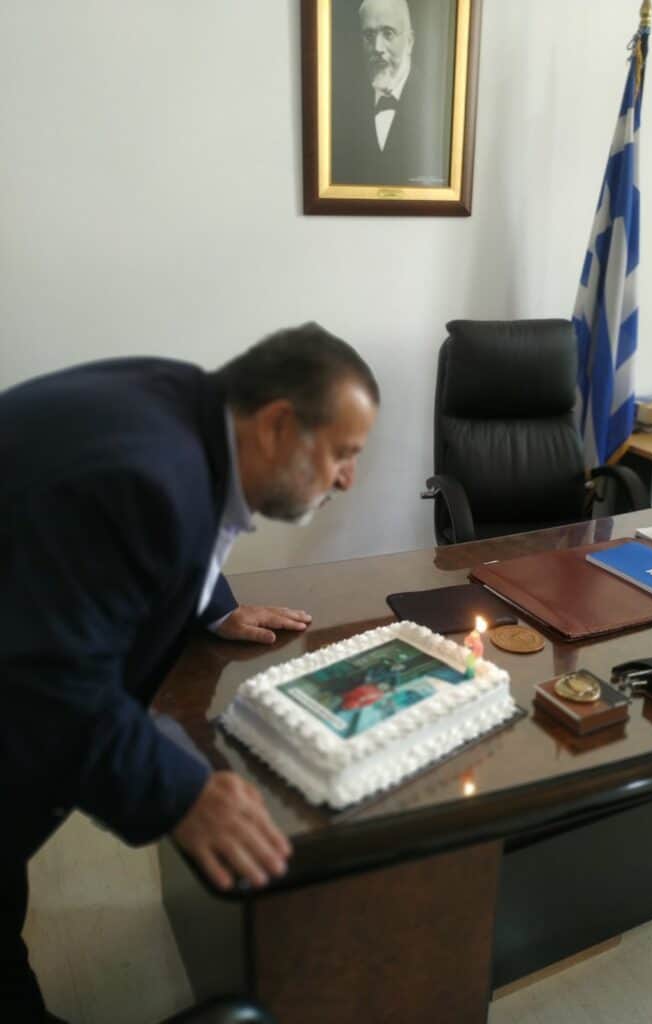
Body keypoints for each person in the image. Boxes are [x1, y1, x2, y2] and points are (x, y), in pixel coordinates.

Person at [0, 322, 379, 1022]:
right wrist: (184, 794)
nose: (348, 478)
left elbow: (126, 544)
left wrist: (208, 603)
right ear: (278, 425)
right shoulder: (147, 479)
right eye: (343, 453)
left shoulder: (184, 417)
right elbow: (50, 685)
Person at [332, 0, 450, 187]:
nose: (377, 47)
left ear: (409, 42)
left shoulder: (440, 105)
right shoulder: (341, 107)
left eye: (388, 33)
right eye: (369, 35)